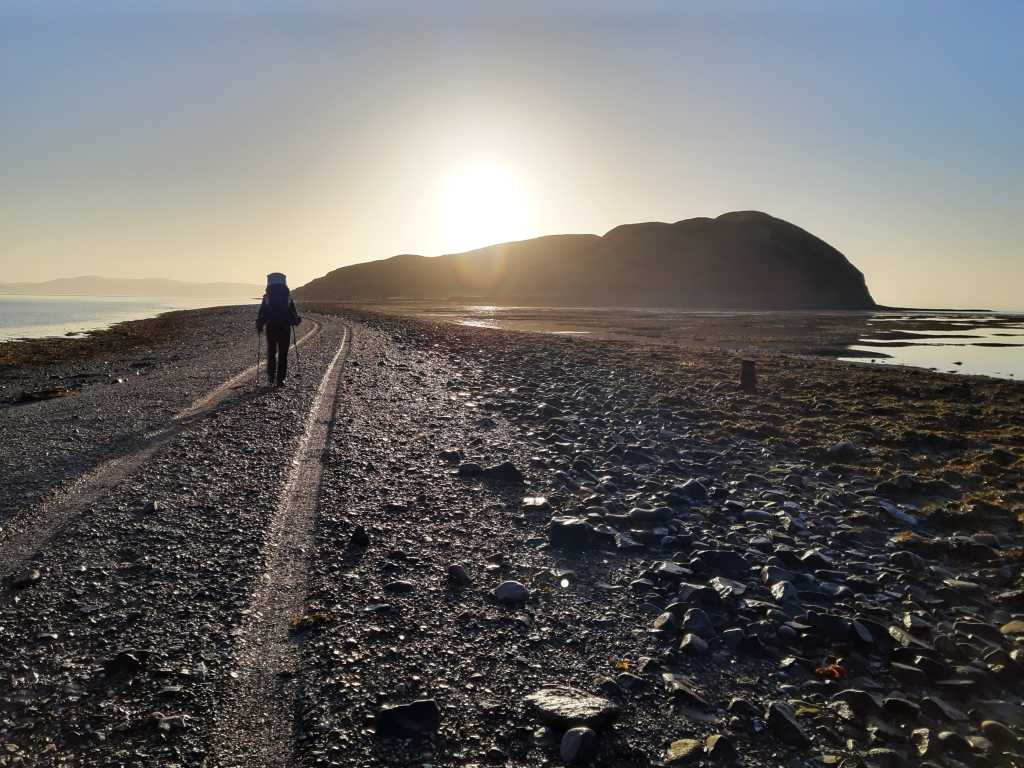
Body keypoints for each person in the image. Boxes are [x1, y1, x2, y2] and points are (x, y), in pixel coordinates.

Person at [256, 272, 301, 386]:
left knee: (271, 352)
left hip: (271, 328)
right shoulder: (288, 298)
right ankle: (280, 380)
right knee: (283, 354)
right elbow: (294, 316)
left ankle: (271, 378)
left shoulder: (267, 298)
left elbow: (262, 314)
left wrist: (260, 325)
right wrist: (296, 321)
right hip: (285, 328)